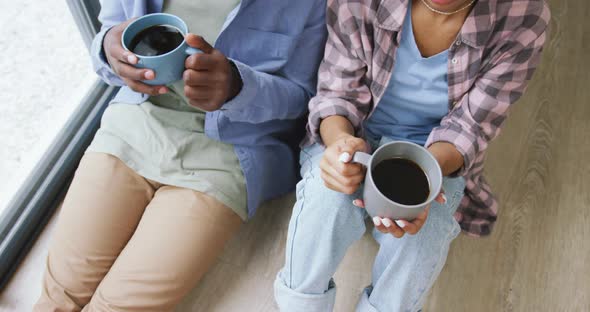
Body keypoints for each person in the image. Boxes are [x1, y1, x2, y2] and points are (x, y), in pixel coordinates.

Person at [34, 0, 327, 310]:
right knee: (59, 295)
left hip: (227, 155)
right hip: (133, 124)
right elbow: (109, 33)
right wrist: (108, 48)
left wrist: (237, 86)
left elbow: (303, 99)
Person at [274, 0, 550, 310]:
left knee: (423, 238)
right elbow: (337, 92)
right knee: (324, 204)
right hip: (356, 131)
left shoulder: (522, 17)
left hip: (434, 155)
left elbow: (471, 129)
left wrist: (423, 178)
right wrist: (339, 141)